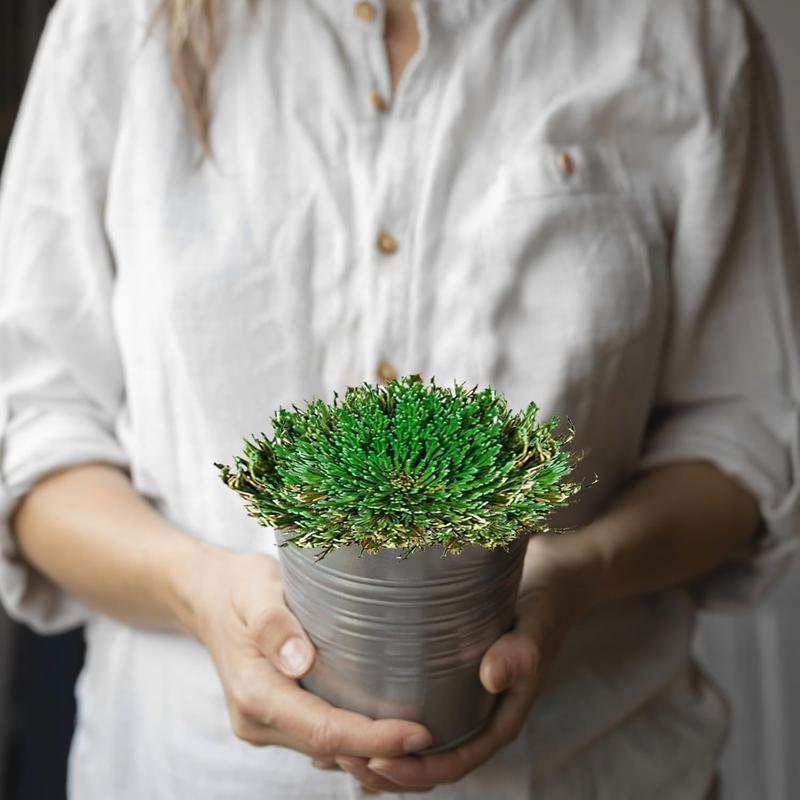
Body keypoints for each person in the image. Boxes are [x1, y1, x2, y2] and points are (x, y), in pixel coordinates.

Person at [1, 0, 798, 797]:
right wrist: (197, 591)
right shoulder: (116, 23)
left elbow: (742, 432)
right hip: (183, 770)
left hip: (593, 767)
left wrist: (578, 571)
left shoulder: (682, 26)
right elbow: (34, 434)